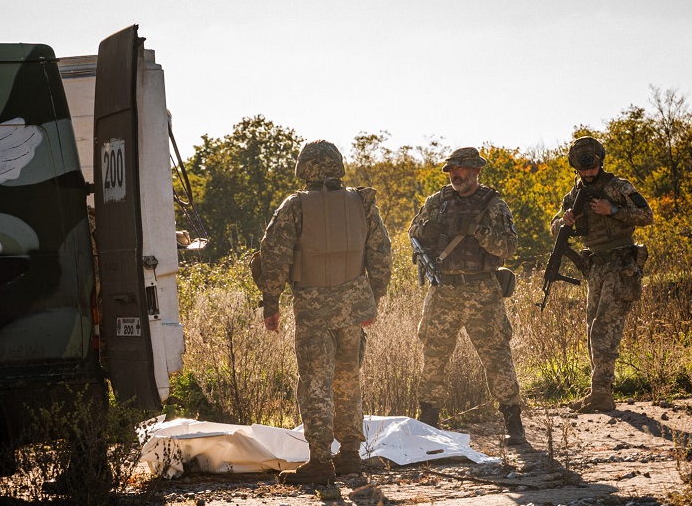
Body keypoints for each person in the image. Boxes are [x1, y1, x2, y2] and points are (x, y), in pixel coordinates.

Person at [256, 140, 392, 484]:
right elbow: (381, 255)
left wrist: (271, 304)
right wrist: (371, 299)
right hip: (353, 307)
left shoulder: (296, 205)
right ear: (337, 166)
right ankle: (349, 455)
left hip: (313, 310)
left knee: (316, 382)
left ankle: (320, 461)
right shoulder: (361, 203)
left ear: (304, 168)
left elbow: (274, 257)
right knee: (348, 380)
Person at [408, 147, 526, 445]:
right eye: (451, 171)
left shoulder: (493, 204)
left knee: (496, 355)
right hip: (443, 289)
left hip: (481, 290)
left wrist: (477, 231)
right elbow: (413, 233)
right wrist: (427, 230)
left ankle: (513, 422)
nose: (454, 176)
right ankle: (428, 422)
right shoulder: (438, 201)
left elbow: (508, 247)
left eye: (460, 171)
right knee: (434, 354)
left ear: (476, 171)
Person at [550, 136, 654, 413]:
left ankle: (602, 395)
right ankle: (597, 392)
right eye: (583, 170)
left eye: (592, 168)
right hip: (594, 266)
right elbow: (554, 225)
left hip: (621, 264)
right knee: (591, 329)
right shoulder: (574, 195)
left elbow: (646, 215)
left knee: (603, 330)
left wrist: (614, 210)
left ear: (600, 162)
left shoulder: (617, 187)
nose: (588, 173)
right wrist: (564, 221)